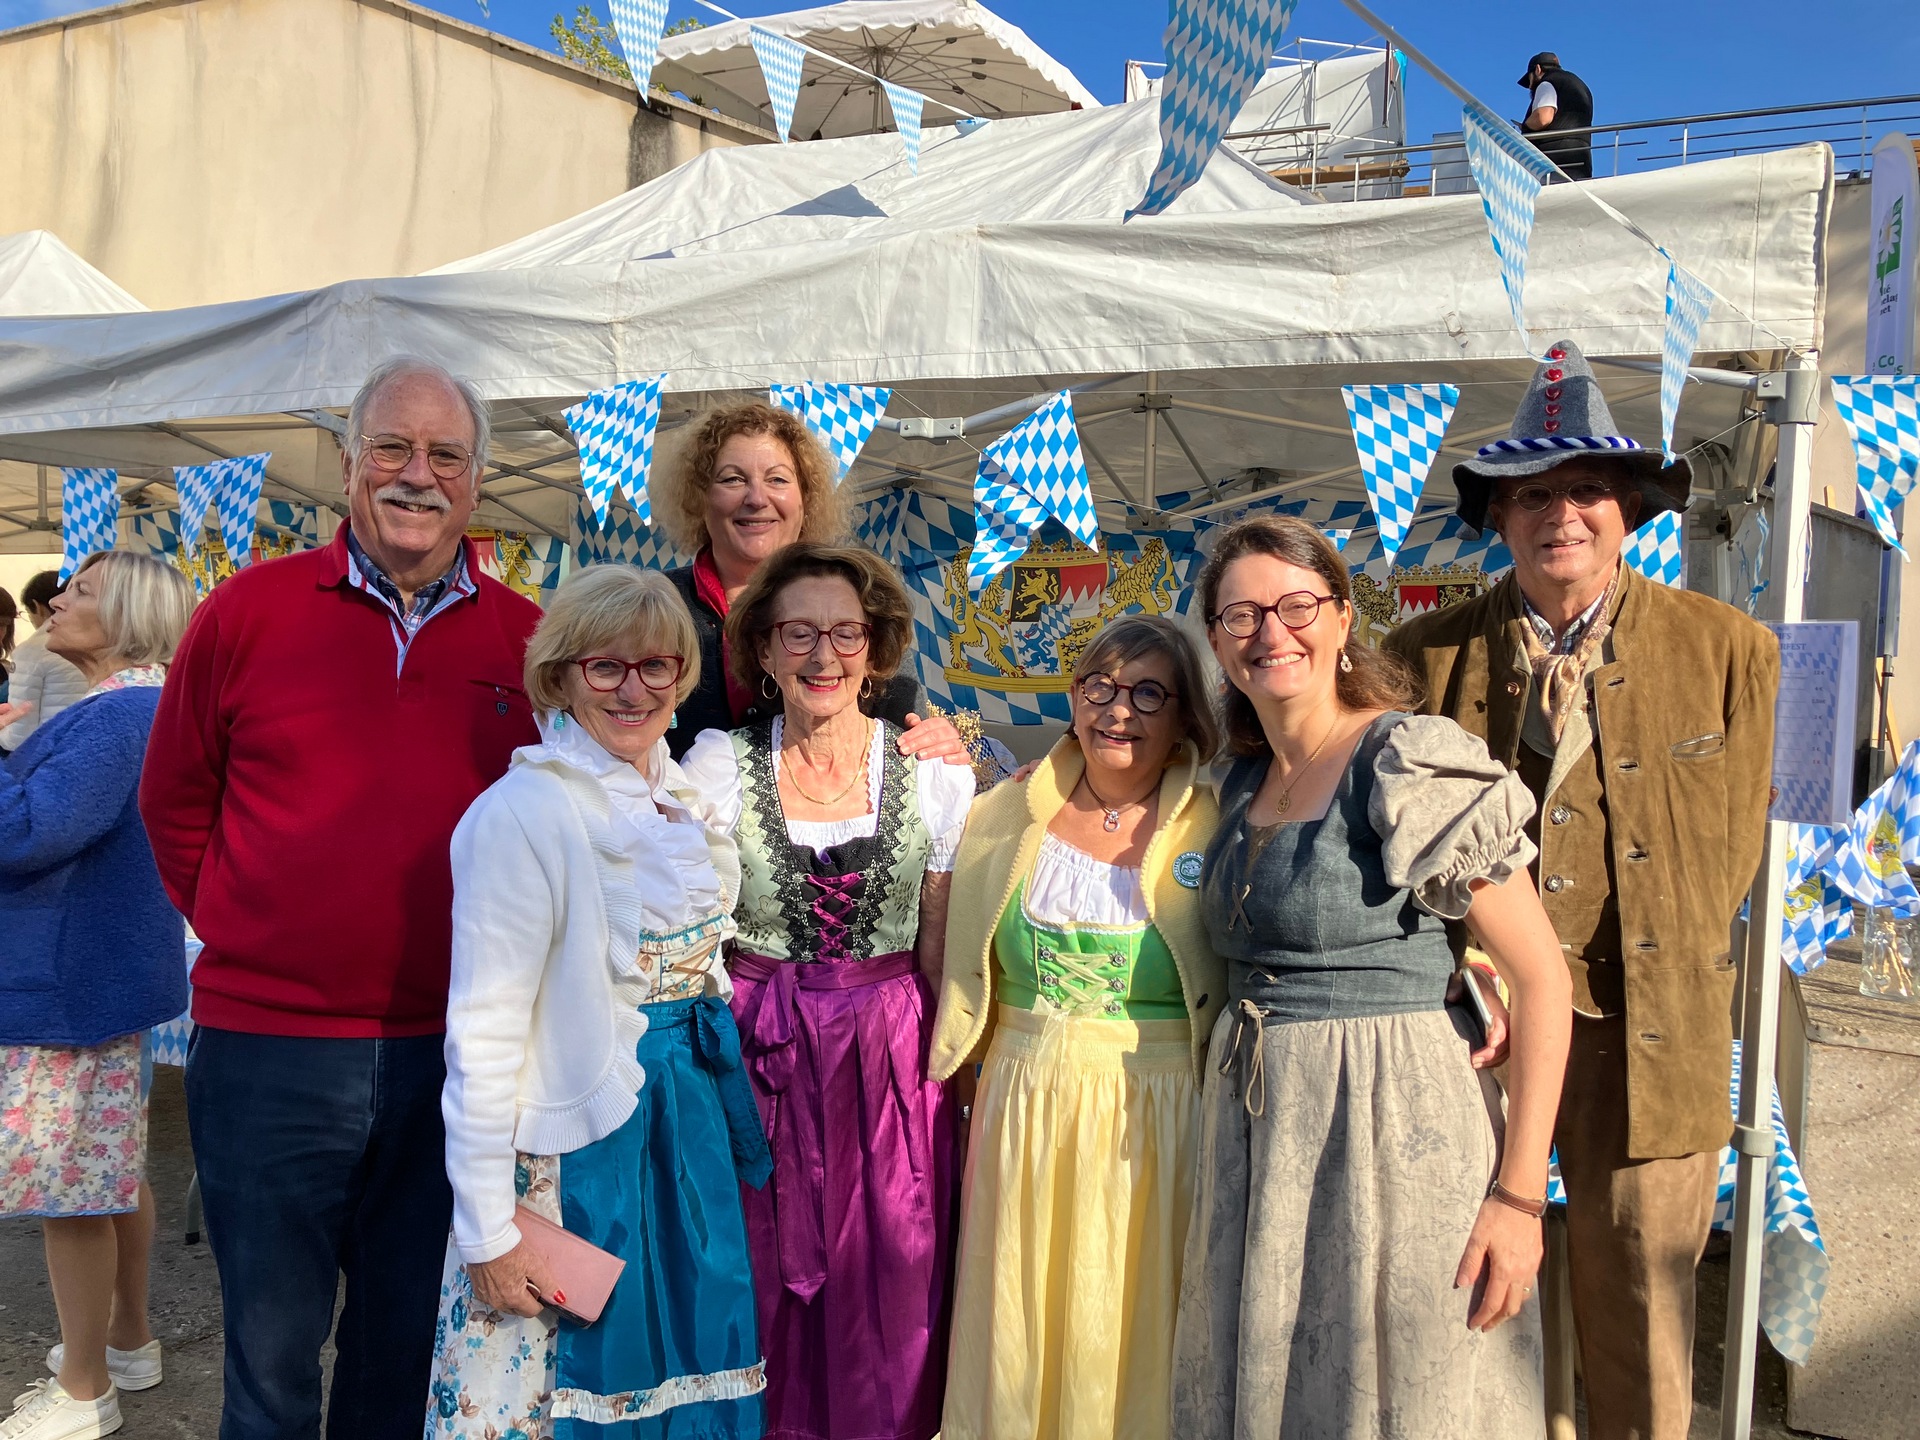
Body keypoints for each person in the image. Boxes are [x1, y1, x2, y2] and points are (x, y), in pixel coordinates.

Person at [139, 357, 543, 1440]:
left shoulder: (528, 639)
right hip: (269, 1049)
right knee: (269, 1360)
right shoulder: (245, 611)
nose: (419, 475)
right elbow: (173, 796)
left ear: (477, 478)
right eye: (392, 448)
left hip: (451, 1055)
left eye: (446, 455)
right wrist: (249, 924)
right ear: (350, 463)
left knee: (402, 1352)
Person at [1386, 340, 1779, 1440]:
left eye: (1588, 490)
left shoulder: (1730, 650)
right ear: (1500, 517)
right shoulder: (1422, 657)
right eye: (1534, 493)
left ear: (1629, 510)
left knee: (1641, 1316)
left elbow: (1732, 851)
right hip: (1474, 1033)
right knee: (1458, 1294)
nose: (1563, 513)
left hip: (1651, 1039)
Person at [1169, 515, 1572, 1439]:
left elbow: (1543, 981)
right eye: (1241, 616)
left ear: (1344, 618)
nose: (1271, 632)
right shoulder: (1238, 780)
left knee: (1400, 1391)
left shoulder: (1407, 759)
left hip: (1391, 1121)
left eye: (1296, 606)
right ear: (1219, 644)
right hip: (1258, 1130)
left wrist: (1520, 1198)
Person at [427, 566, 771, 1438]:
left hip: (682, 1125)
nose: (633, 689)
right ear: (561, 675)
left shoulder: (682, 798)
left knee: (688, 1352)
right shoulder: (523, 813)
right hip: (574, 1143)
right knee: (559, 1376)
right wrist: (486, 1230)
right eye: (605, 666)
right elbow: (483, 1032)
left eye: (656, 665)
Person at [679, 542, 971, 1440]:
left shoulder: (936, 774)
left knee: (895, 1263)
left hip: (891, 1057)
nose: (823, 654)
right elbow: (689, 929)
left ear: (874, 649)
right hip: (757, 1053)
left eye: (845, 633)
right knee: (757, 1264)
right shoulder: (717, 766)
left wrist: (954, 1077)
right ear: (763, 651)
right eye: (797, 633)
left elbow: (939, 946)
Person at [932, 615, 1226, 1440]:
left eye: (1147, 694)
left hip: (1159, 1112)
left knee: (1134, 1321)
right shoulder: (1001, 815)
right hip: (1022, 1102)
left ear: (1184, 716)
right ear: (1073, 696)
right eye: (1100, 686)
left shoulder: (1217, 822)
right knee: (1019, 1328)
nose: (1117, 711)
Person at [0, 551, 196, 1440]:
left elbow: (28, 833)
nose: (56, 603)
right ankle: (124, 1340)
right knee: (106, 1170)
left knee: (70, 1189)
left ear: (125, 614)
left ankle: (84, 1391)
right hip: (92, 976)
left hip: (67, 984)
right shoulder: (139, 708)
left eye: (78, 592)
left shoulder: (116, 715)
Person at [651, 401, 967, 769]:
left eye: (777, 480)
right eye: (733, 479)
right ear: (699, 496)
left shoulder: (860, 598)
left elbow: (906, 740)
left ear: (808, 498)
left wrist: (933, 744)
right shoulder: (656, 605)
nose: (756, 498)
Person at [0, 571, 90, 752]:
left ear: (37, 607)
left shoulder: (29, 653)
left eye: (3, 624)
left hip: (42, 753)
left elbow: (17, 736)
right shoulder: (102, 643)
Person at [1520, 50, 1594, 180]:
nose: (1530, 86)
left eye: (1529, 79)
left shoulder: (1547, 83)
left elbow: (1543, 118)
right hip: (1581, 160)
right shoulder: (1579, 86)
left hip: (1552, 161)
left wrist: (1525, 127)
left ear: (1538, 69)